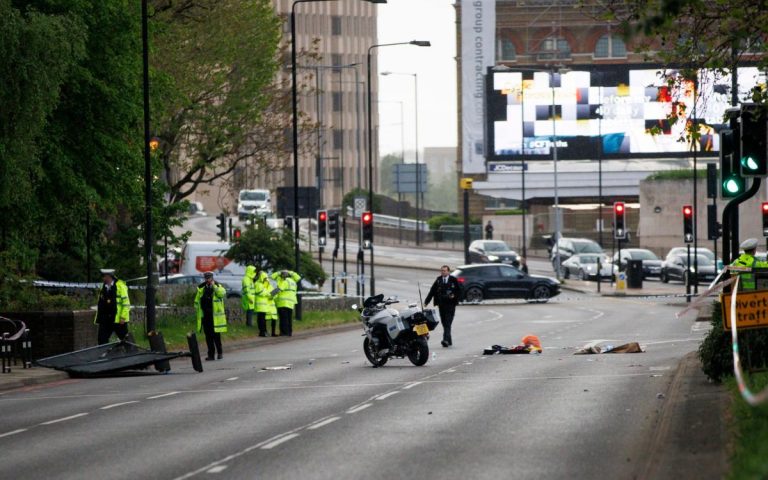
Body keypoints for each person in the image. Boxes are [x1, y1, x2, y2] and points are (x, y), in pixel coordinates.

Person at [424, 265, 461, 348]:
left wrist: (454, 296)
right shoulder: (438, 280)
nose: (443, 272)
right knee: (444, 323)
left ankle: (445, 340)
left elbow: (459, 291)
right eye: (442, 271)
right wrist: (426, 301)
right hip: (441, 305)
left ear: (448, 271)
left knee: (448, 322)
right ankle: (449, 340)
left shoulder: (453, 280)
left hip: (450, 305)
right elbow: (432, 291)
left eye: (444, 271)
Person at [194, 271, 227, 360]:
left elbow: (222, 294)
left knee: (216, 336)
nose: (208, 279)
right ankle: (211, 355)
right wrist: (197, 308)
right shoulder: (201, 288)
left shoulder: (218, 286)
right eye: (206, 278)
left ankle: (220, 352)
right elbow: (197, 300)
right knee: (208, 336)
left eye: (209, 278)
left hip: (215, 316)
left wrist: (214, 287)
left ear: (212, 278)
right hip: (206, 315)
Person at [94, 269, 131, 345]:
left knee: (125, 339)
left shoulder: (121, 286)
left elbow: (126, 303)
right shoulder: (103, 286)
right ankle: (103, 355)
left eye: (104, 276)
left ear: (109, 276)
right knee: (102, 339)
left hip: (118, 318)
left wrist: (123, 317)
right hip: (106, 318)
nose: (103, 278)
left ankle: (132, 353)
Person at [271, 270, 301, 336]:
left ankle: (284, 333)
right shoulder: (293, 281)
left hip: (283, 302)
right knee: (289, 318)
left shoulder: (285, 281)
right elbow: (298, 277)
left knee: (283, 319)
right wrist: (290, 272)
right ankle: (289, 332)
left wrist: (271, 294)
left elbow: (279, 289)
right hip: (290, 303)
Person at [254, 268, 270, 337]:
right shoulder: (258, 284)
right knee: (261, 319)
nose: (266, 279)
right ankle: (262, 332)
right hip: (260, 304)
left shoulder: (262, 284)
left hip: (263, 304)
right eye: (265, 278)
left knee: (263, 319)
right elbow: (260, 292)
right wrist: (268, 293)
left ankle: (264, 331)